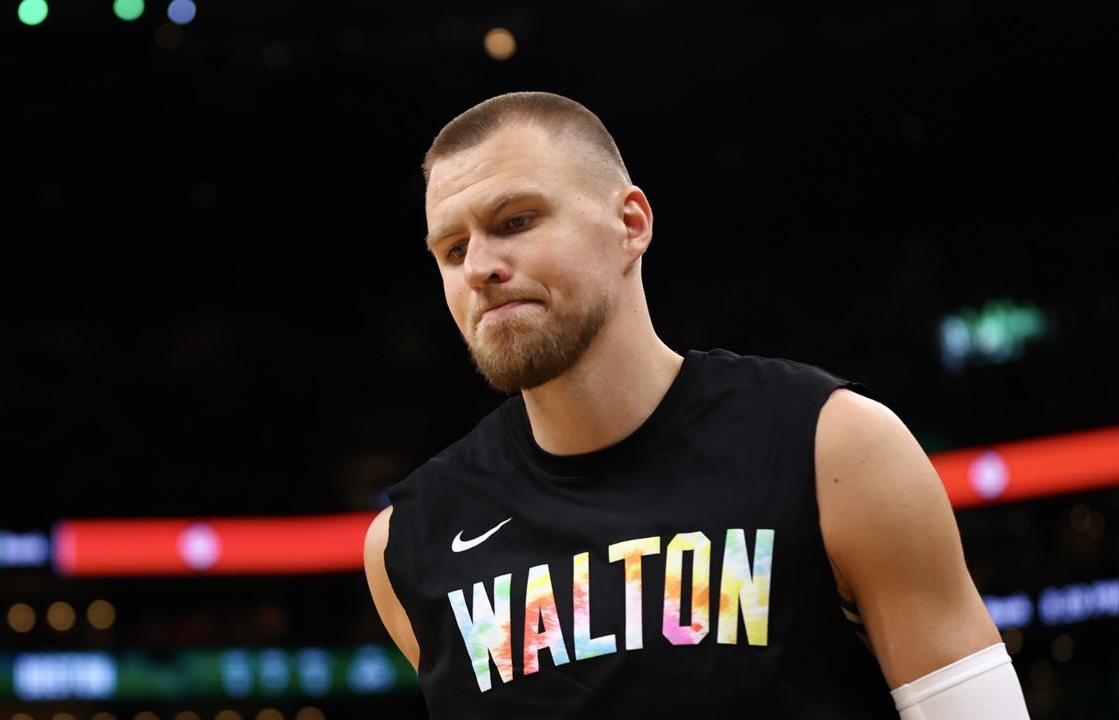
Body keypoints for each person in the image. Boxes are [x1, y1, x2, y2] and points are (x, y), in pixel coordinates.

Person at [363, 91, 1030, 719]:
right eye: (452, 250)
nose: (479, 266)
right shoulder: (409, 543)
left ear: (631, 225)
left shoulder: (833, 448)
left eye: (516, 221)